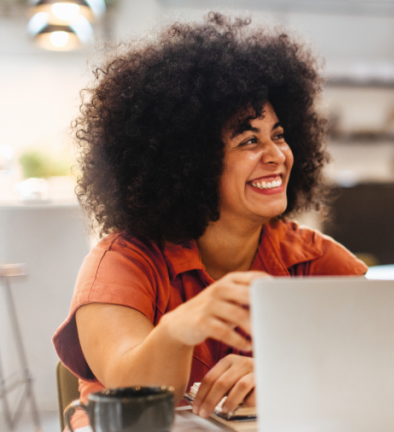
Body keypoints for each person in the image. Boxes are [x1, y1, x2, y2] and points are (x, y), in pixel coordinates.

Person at [52, 14, 367, 429]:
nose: (276, 154)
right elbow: (136, 396)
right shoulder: (123, 263)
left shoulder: (317, 262)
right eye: (249, 140)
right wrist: (180, 328)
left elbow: (376, 371)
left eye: (279, 134)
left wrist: (286, 373)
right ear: (190, 162)